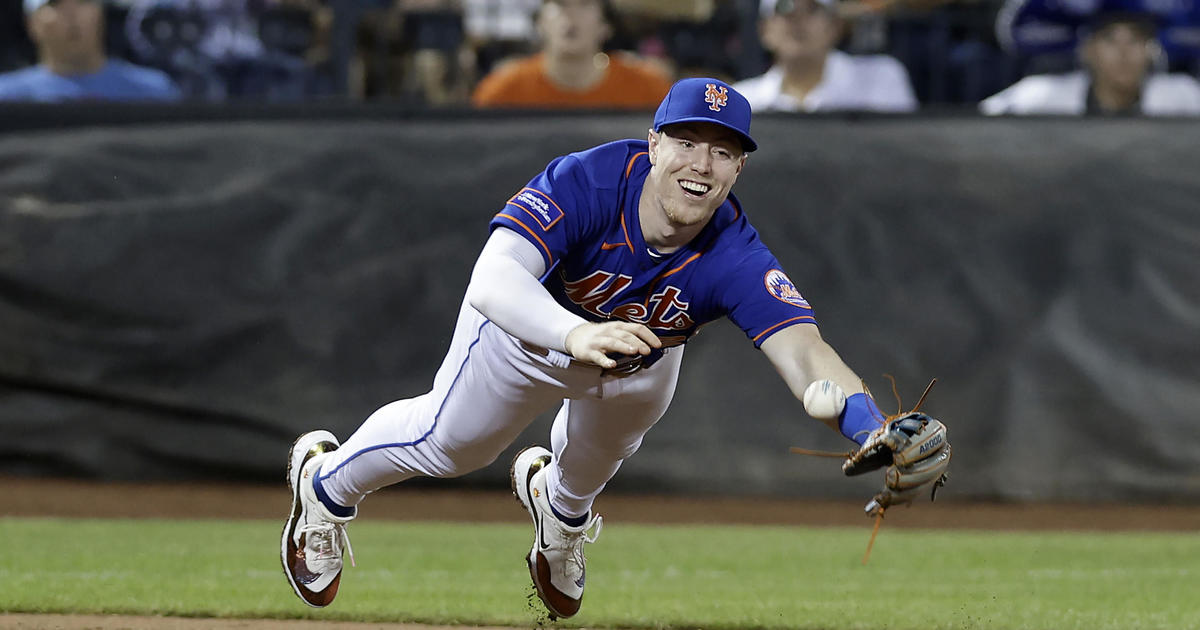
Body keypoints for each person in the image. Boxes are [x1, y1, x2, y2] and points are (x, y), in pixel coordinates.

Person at [280, 78, 950, 618]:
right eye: (688, 142)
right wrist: (575, 331)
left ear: (739, 167)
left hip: (637, 362)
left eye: (722, 151)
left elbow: (805, 352)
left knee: (597, 458)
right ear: (653, 144)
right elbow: (493, 278)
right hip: (526, 339)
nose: (702, 163)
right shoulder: (591, 181)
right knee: (452, 447)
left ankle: (560, 516)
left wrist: (871, 425)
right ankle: (324, 487)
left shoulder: (733, 253)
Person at [981, 9, 1200, 115]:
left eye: (1135, 40)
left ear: (1152, 50)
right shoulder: (1043, 94)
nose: (1123, 53)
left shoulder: (1182, 94)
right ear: (1088, 50)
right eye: (1109, 39)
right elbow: (972, 126)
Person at [470, 0, 671, 109]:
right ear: (540, 23)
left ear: (606, 26)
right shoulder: (503, 90)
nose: (571, 15)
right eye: (560, 4)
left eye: (584, 4)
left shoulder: (648, 88)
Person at [732, 0, 917, 113]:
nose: (798, 19)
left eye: (812, 8)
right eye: (785, 7)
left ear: (835, 26)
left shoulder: (881, 80)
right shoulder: (741, 102)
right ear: (765, 31)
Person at [0, 0, 181, 102]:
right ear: (31, 23)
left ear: (100, 14)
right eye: (54, 4)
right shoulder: (7, 97)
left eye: (82, 1)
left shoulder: (152, 91)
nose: (72, 14)